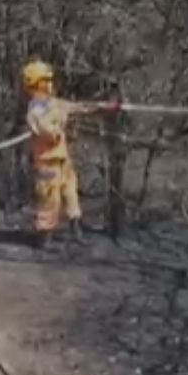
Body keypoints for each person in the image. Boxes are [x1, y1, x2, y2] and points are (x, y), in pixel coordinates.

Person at [23, 60, 120, 248]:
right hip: (47, 163)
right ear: (36, 84)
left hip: (62, 159)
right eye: (45, 80)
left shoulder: (53, 103)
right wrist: (60, 121)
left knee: (71, 194)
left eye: (50, 80)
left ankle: (77, 231)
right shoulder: (34, 112)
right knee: (50, 202)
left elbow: (77, 107)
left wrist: (102, 107)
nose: (50, 84)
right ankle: (44, 239)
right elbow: (50, 133)